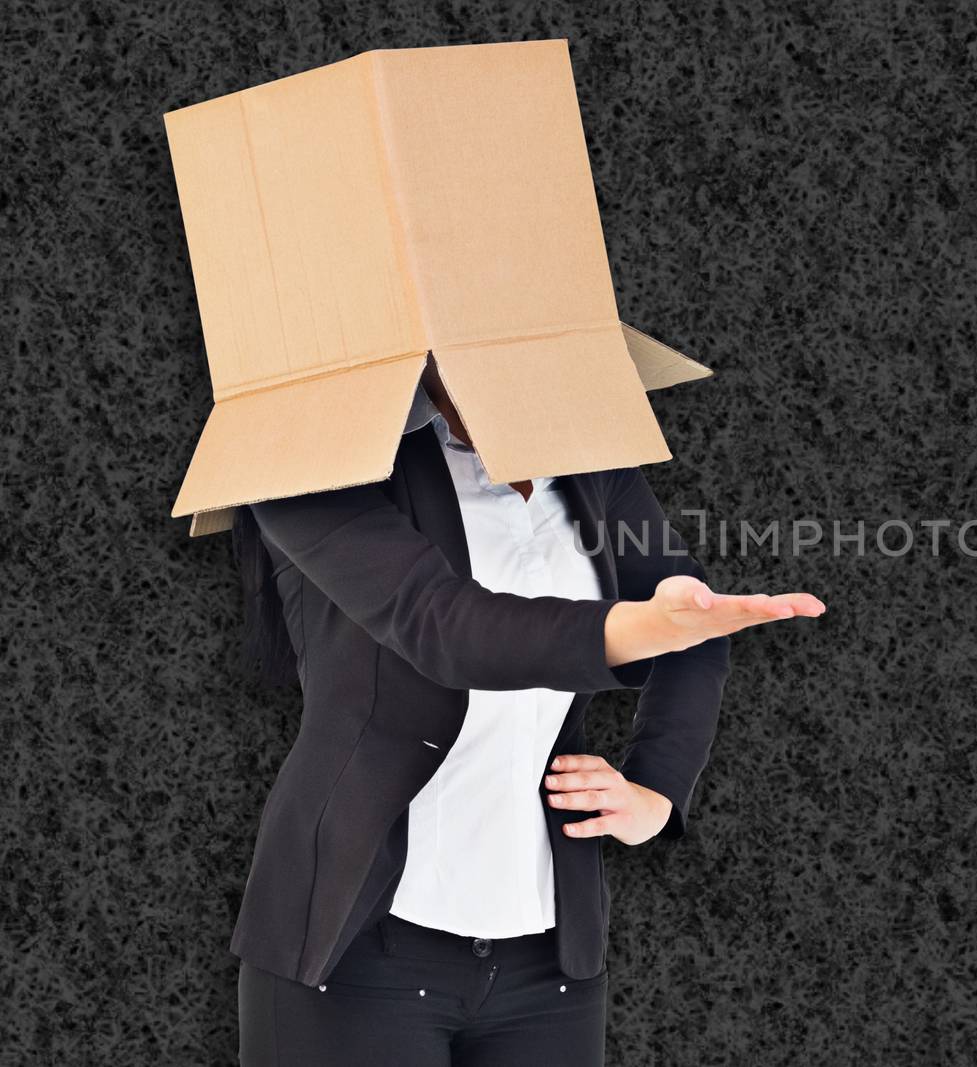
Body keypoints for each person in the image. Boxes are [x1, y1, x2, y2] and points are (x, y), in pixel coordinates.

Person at [229, 356, 824, 1065]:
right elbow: (443, 627)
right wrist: (636, 627)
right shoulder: (314, 460)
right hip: (354, 950)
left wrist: (656, 790)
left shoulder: (592, 463)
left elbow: (696, 625)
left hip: (549, 964)